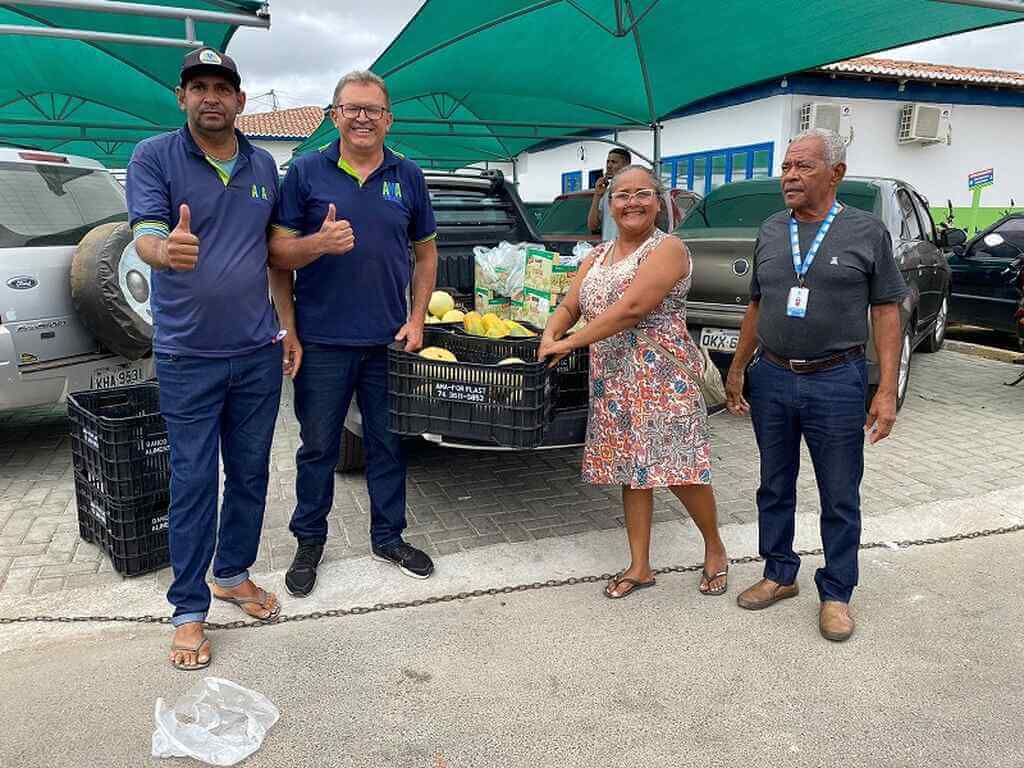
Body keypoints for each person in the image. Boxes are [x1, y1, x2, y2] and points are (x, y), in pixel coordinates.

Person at [127, 48, 301, 670]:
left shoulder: (263, 165)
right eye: (198, 87)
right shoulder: (154, 156)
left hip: (256, 352)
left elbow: (273, 250)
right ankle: (188, 610)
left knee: (251, 474)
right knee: (195, 480)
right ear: (182, 97)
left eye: (222, 88)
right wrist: (162, 250)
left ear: (240, 100)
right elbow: (147, 233)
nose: (211, 97)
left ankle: (231, 574)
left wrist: (290, 322)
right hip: (188, 355)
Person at [724, 128, 907, 642]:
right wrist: (738, 368)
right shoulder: (771, 230)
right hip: (773, 375)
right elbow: (757, 304)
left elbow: (887, 312)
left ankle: (837, 592)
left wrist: (886, 390)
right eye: (786, 166)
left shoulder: (867, 232)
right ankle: (779, 573)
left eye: (803, 166)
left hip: (837, 380)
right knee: (774, 483)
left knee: (840, 492)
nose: (789, 176)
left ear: (836, 173)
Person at [269, 70, 439, 596]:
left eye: (373, 109)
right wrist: (316, 247)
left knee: (389, 445)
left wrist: (417, 318)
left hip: (389, 342)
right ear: (334, 115)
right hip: (321, 342)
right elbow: (276, 255)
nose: (363, 118)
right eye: (352, 108)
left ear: (389, 119)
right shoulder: (305, 171)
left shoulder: (408, 175)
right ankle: (309, 542)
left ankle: (388, 538)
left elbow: (426, 254)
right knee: (318, 448)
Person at [540, 165, 729, 599]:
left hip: (662, 379)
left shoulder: (668, 249)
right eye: (622, 195)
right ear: (610, 204)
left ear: (658, 202)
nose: (632, 203)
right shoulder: (597, 255)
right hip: (614, 382)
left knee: (681, 471)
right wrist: (551, 333)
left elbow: (632, 309)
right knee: (632, 469)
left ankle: (715, 547)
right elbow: (570, 306)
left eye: (642, 193)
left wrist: (568, 343)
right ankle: (640, 566)